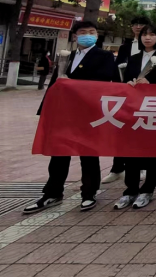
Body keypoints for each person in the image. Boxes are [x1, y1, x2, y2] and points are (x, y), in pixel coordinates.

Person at [25, 21, 117, 214]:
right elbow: (55, 84)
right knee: (59, 153)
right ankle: (52, 192)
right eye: (83, 32)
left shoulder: (105, 56)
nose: (87, 35)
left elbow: (103, 80)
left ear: (97, 36)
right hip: (64, 113)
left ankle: (89, 193)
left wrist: (73, 83)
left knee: (88, 154)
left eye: (92, 32)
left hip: (89, 112)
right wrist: (45, 110)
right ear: (75, 36)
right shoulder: (67, 56)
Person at [114, 24, 156, 210]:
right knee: (131, 150)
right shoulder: (133, 59)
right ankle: (130, 190)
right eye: (144, 35)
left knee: (152, 150)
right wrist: (129, 84)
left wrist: (151, 82)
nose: (147, 38)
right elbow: (124, 81)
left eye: (152, 35)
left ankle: (148, 189)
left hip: (155, 109)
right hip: (134, 109)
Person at [104, 15, 153, 184]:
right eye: (135, 24)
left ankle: (142, 167)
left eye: (142, 24)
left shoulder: (153, 49)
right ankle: (117, 168)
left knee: (142, 131)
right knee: (121, 130)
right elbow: (116, 69)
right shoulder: (125, 47)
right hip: (125, 95)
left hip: (145, 97)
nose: (138, 27)